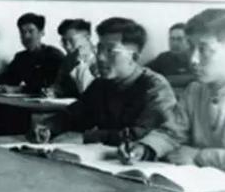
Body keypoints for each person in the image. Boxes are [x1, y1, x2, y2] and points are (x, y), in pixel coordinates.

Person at [125, 9, 225, 180]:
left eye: (204, 49)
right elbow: (173, 133)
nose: (193, 59)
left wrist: (199, 156)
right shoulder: (195, 90)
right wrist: (145, 149)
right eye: (191, 47)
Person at [29, 17, 177, 147]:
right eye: (99, 49)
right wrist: (47, 127)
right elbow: (73, 115)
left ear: (134, 57)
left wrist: (88, 138)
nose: (100, 57)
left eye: (110, 51)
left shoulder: (155, 88)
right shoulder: (101, 85)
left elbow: (143, 135)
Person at [0, 12, 64, 94]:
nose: (26, 36)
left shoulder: (53, 56)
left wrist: (17, 89)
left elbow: (50, 88)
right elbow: (7, 79)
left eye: (31, 31)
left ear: (41, 32)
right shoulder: (21, 57)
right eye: (22, 32)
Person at [47, 18, 97, 98]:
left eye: (71, 40)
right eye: (64, 41)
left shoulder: (101, 58)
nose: (67, 46)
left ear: (87, 38)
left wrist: (81, 64)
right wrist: (53, 91)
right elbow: (59, 86)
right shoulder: (68, 60)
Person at [146, 22, 194, 92]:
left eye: (179, 39)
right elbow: (144, 72)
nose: (174, 43)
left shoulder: (197, 59)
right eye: (172, 39)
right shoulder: (164, 57)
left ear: (189, 41)